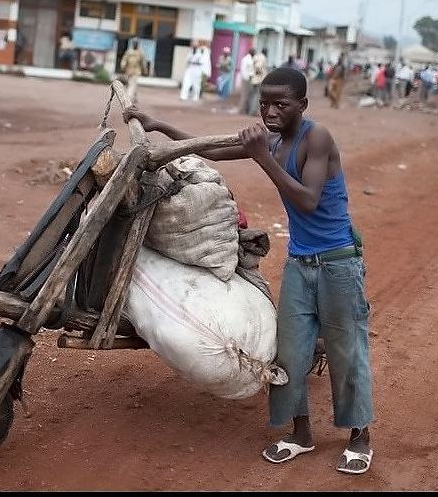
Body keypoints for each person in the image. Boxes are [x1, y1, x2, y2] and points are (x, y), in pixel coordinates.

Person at [122, 66, 374, 476]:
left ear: (303, 106)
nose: (270, 111)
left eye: (281, 104)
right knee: (289, 351)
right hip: (300, 262)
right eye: (264, 103)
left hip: (337, 263)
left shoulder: (317, 138)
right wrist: (161, 126)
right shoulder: (272, 140)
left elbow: (308, 200)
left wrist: (261, 156)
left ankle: (360, 436)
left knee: (347, 350)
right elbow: (213, 151)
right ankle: (300, 434)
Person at [120, 39, 147, 105]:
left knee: (132, 84)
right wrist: (123, 66)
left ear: (138, 44)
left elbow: (143, 62)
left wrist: (145, 70)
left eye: (136, 43)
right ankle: (134, 97)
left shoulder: (141, 52)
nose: (135, 44)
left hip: (136, 71)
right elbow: (124, 59)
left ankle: (129, 98)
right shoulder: (129, 51)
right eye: (134, 43)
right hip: (128, 71)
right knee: (131, 84)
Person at [248, 48, 269, 115]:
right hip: (259, 79)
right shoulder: (263, 57)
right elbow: (258, 66)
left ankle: (251, 110)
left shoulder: (256, 56)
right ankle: (254, 111)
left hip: (254, 79)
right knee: (258, 96)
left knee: (253, 95)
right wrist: (260, 72)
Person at [240, 48, 258, 114]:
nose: (254, 53)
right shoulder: (245, 59)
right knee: (245, 94)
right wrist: (246, 77)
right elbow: (243, 69)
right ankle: (242, 110)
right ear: (251, 52)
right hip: (246, 79)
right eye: (254, 52)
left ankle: (247, 109)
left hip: (251, 79)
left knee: (249, 94)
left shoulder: (253, 59)